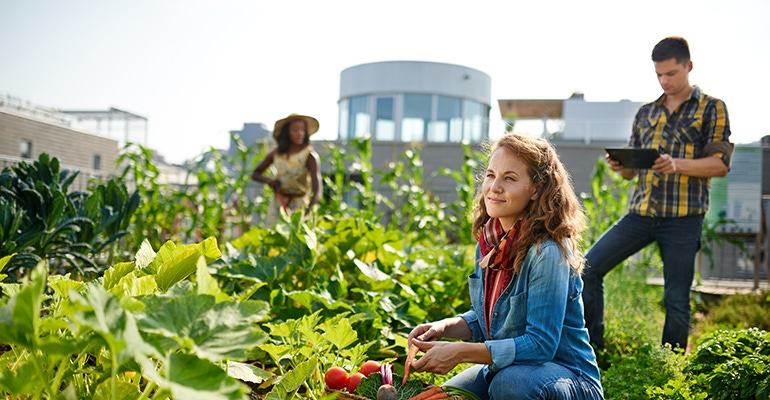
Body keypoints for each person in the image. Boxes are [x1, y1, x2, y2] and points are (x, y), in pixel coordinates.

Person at [407, 133, 604, 400]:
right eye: (490, 175)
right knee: (445, 395)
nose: (494, 187)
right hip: (507, 367)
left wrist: (461, 353)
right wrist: (446, 327)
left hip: (566, 376)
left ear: (536, 189)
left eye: (509, 178)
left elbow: (540, 345)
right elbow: (496, 316)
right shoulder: (490, 242)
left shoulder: (547, 251)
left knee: (509, 385)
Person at [581, 36, 733, 351]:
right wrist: (620, 166)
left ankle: (671, 363)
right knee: (587, 269)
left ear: (688, 67)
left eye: (672, 74)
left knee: (676, 297)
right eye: (659, 75)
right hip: (640, 214)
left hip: (683, 218)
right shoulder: (646, 112)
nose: (665, 81)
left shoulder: (712, 108)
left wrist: (676, 164)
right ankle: (592, 350)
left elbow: (719, 164)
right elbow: (631, 172)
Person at [251, 113, 322, 225]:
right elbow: (255, 174)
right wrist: (270, 181)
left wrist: (307, 211)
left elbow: (318, 192)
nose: (300, 133)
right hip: (278, 203)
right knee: (273, 237)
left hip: (300, 206)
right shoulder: (277, 154)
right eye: (295, 130)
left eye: (303, 130)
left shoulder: (310, 156)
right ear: (286, 133)